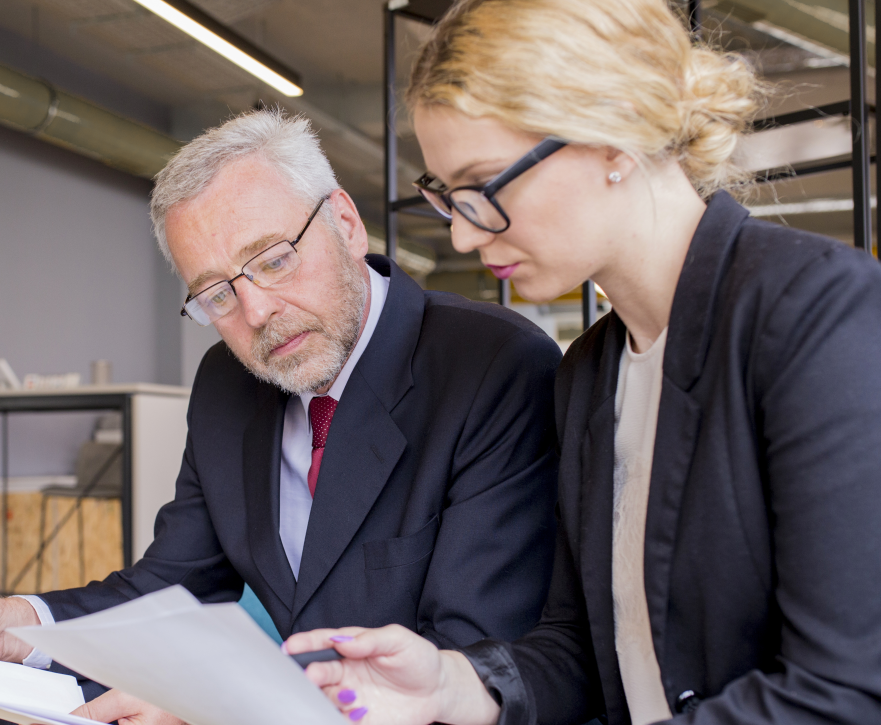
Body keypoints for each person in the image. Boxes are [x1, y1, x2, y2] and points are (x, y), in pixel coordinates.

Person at [283, 1, 881, 724]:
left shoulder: (816, 312)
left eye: (484, 186)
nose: (464, 237)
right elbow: (585, 650)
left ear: (614, 137)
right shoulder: (591, 371)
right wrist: (453, 684)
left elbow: (843, 691)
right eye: (447, 197)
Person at [0, 110, 562, 723]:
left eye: (272, 260)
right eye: (217, 294)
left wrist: (219, 703)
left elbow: (475, 654)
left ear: (346, 224)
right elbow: (176, 586)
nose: (257, 312)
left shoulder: (491, 365)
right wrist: (27, 625)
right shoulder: (226, 384)